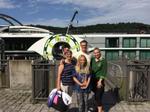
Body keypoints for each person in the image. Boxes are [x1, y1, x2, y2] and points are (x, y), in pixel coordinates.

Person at [91, 47, 107, 112]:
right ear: (93, 54)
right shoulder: (92, 59)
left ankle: (100, 110)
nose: (96, 54)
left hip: (99, 80)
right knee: (96, 95)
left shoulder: (103, 60)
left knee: (98, 95)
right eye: (95, 53)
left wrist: (100, 81)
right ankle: (98, 108)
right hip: (92, 80)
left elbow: (104, 71)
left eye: (97, 52)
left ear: (100, 52)